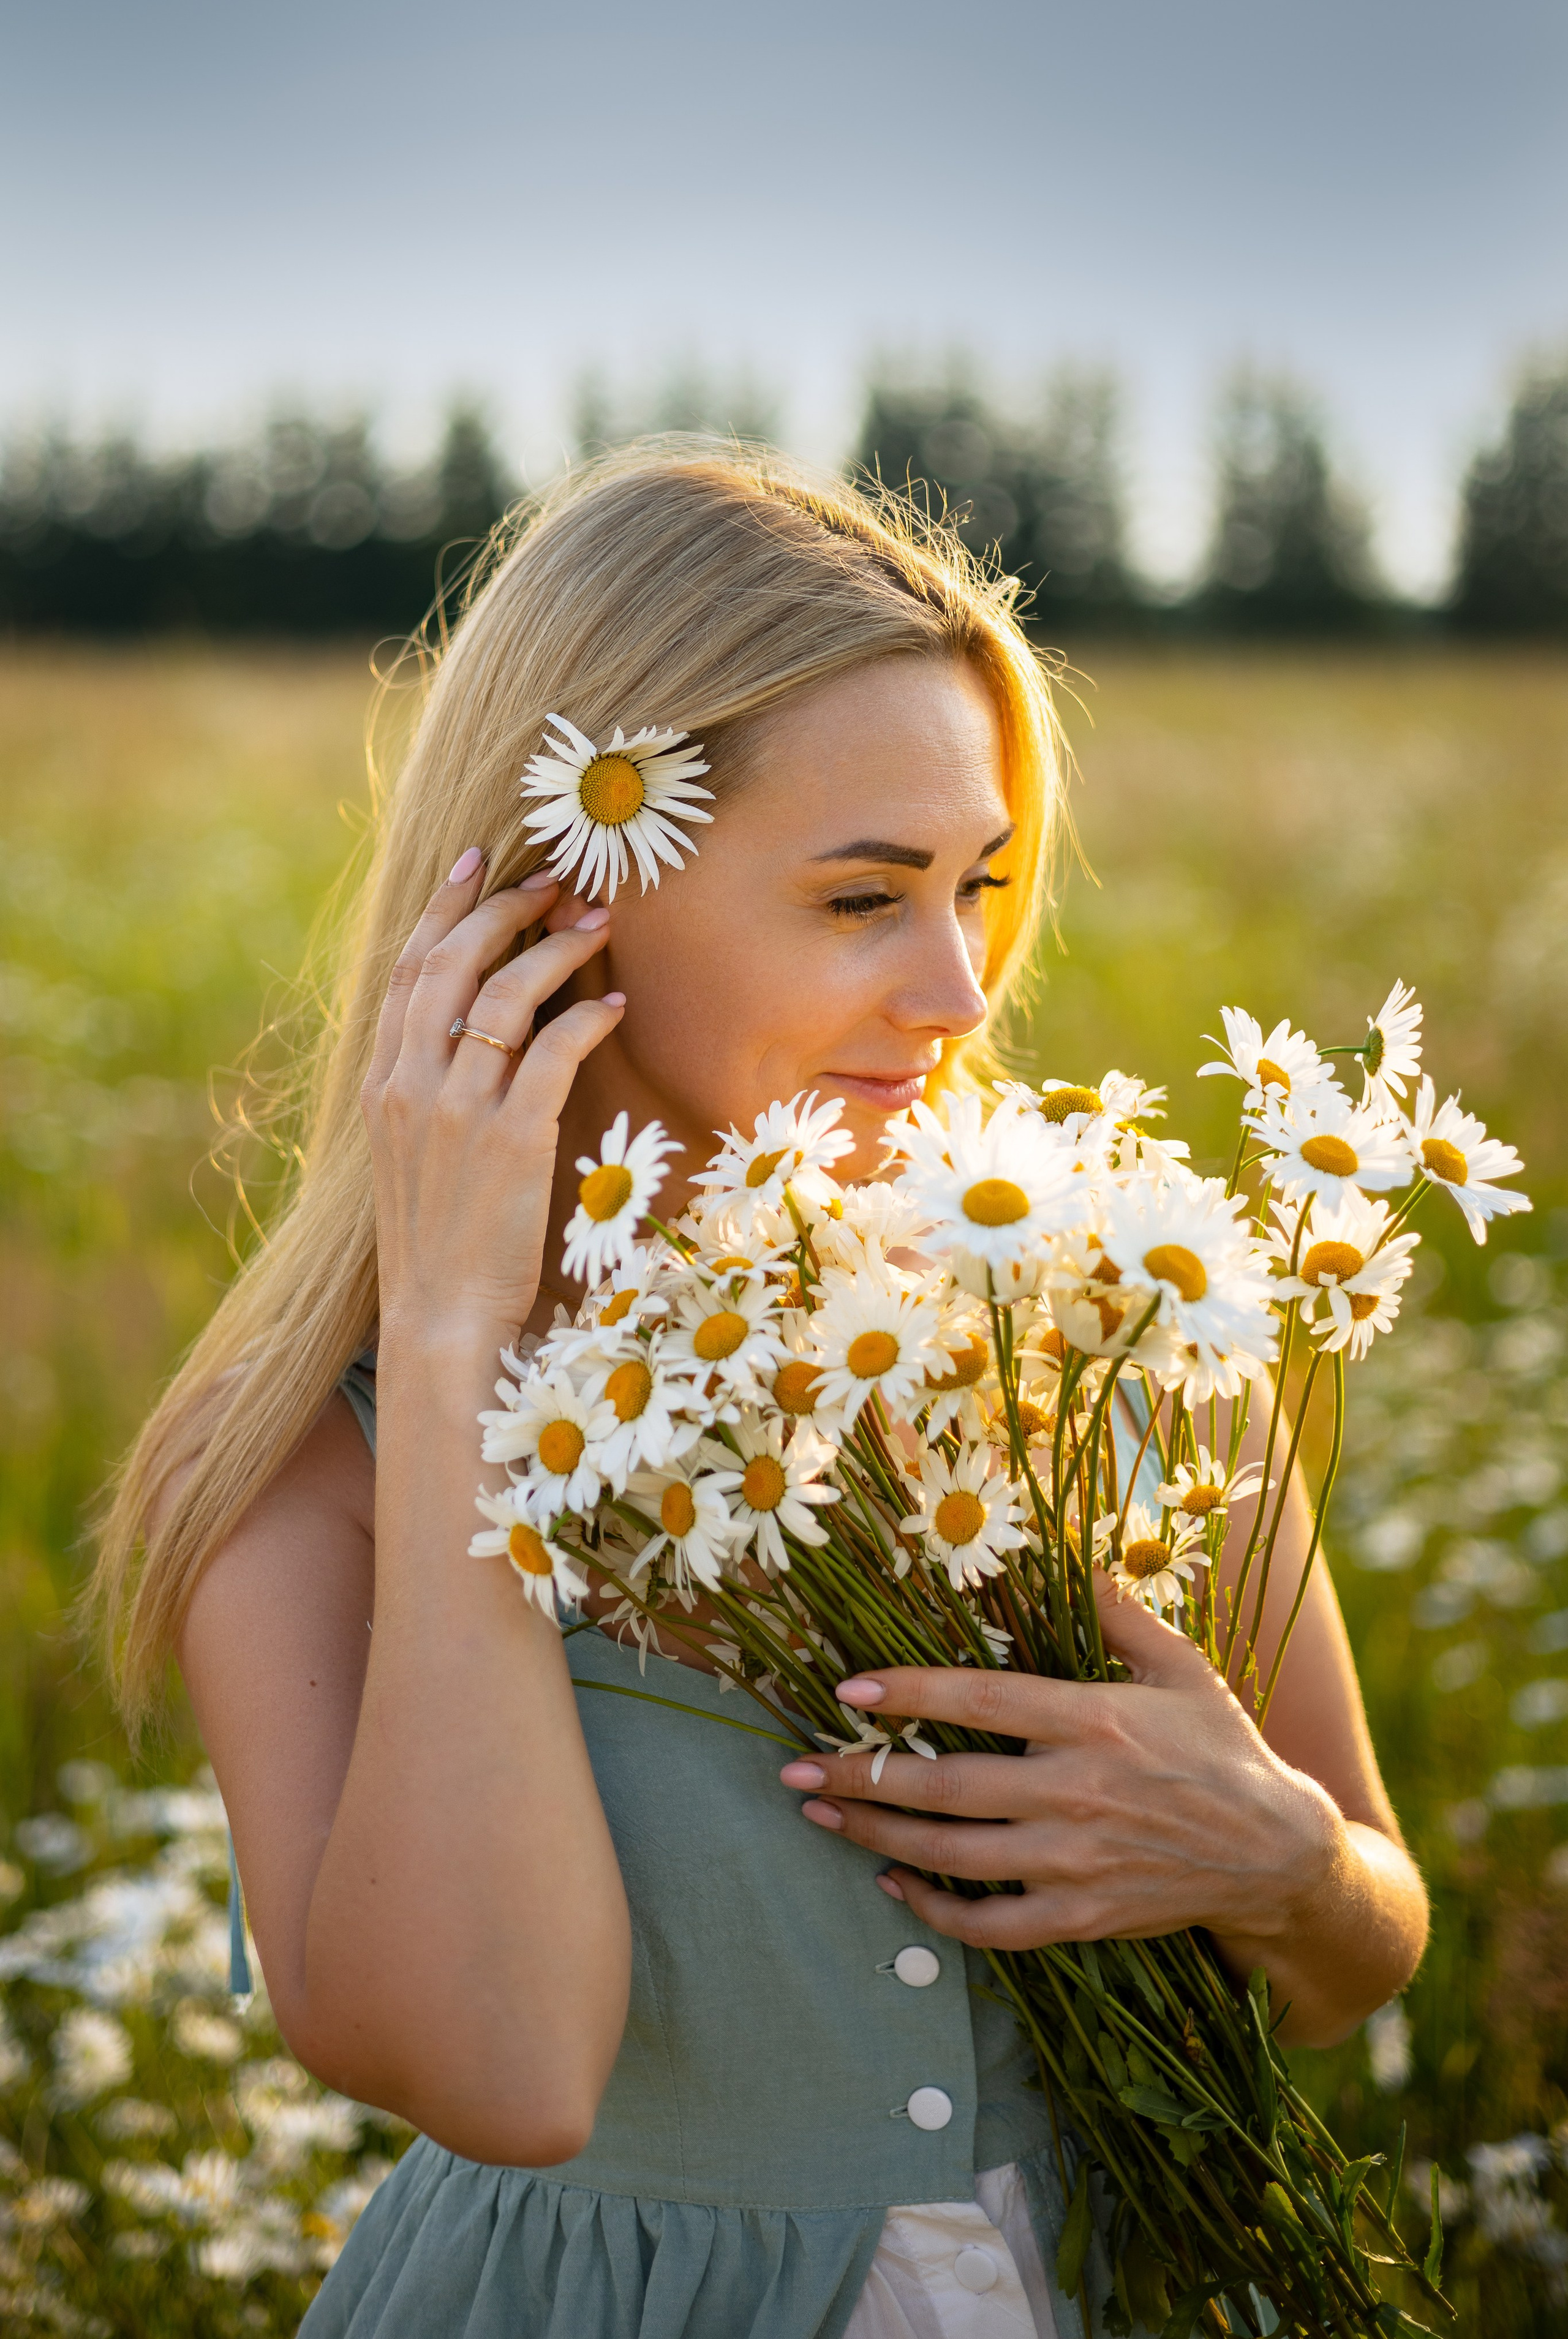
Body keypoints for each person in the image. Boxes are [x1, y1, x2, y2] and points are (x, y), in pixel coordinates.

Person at [97, 444, 1428, 2339]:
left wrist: (1286, 1864)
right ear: (569, 898)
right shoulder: (309, 1455)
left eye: (978, 883)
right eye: (862, 896)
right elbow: (511, 2075)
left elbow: (1356, 1956)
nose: (963, 991)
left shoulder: (1090, 1307)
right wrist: (469, 1342)